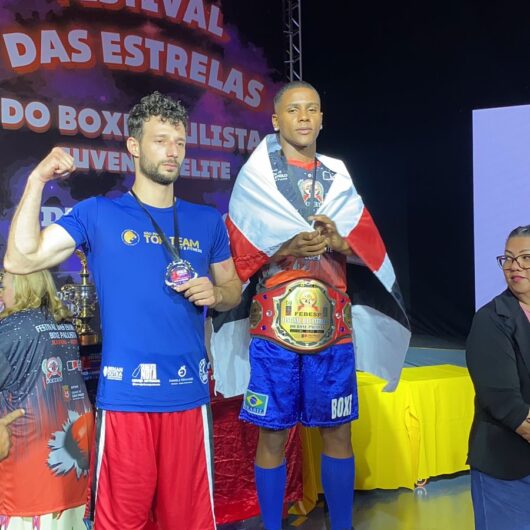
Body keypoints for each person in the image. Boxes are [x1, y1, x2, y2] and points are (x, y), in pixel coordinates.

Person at [4, 92, 242, 530]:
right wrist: (37, 180)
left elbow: (233, 288)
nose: (173, 151)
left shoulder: (206, 220)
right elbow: (21, 259)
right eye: (161, 140)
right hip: (126, 400)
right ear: (134, 147)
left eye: (180, 142)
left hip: (188, 399)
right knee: (121, 524)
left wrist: (218, 292)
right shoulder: (98, 213)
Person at [211, 81, 409, 530]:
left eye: (312, 109)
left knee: (338, 431)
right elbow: (237, 250)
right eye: (294, 110)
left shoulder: (338, 177)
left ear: (322, 119)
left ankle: (341, 526)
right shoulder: (256, 178)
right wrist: (282, 246)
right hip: (273, 332)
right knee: (273, 434)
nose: (303, 117)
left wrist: (342, 242)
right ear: (276, 120)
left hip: (332, 327)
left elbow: (370, 251)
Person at [0, 269, 93, 530]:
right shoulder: (63, 324)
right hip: (73, 445)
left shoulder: (10, 329)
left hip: (29, 450)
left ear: (20, 287)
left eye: (4, 285)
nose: (1, 293)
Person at [466, 225, 530, 530]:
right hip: (506, 470)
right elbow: (507, 405)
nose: (514, 266)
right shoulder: (491, 319)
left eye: (525, 258)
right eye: (508, 258)